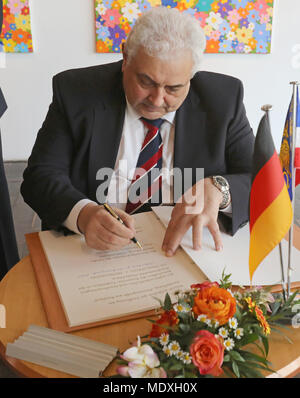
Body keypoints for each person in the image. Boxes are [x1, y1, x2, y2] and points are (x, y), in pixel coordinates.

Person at [21, 7, 254, 257]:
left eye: (173, 88)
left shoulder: (223, 99)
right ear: (125, 58)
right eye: (146, 82)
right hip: (94, 250)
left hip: (189, 249)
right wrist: (84, 214)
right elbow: (40, 177)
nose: (156, 100)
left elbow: (264, 180)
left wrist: (220, 189)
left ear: (191, 77)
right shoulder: (77, 93)